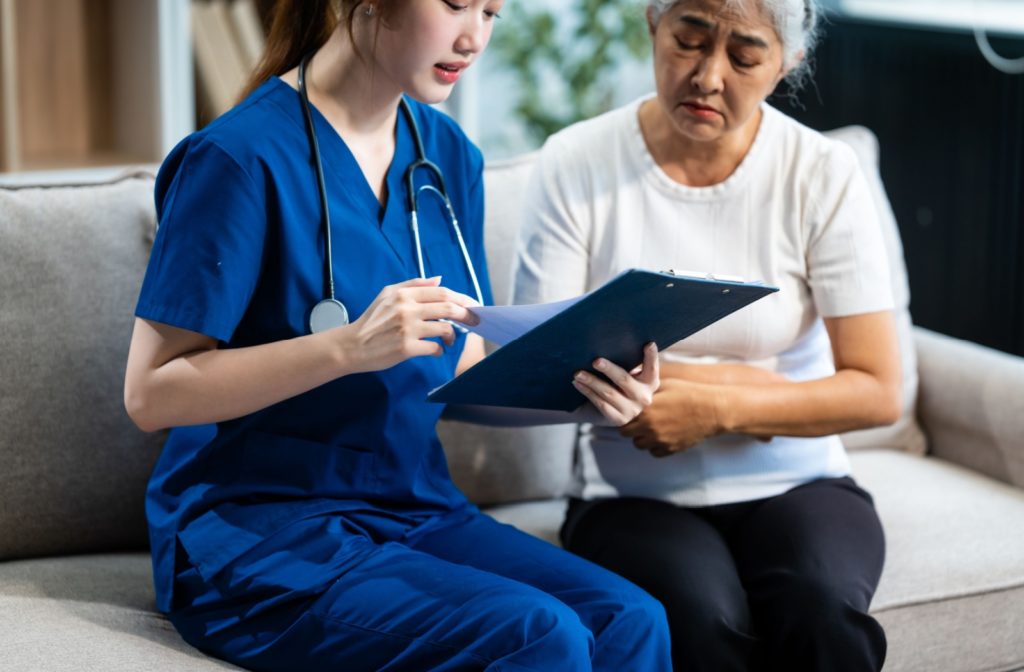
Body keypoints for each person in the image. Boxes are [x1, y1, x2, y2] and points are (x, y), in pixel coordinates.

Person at [123, 1, 672, 670]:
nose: (474, 38)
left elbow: (459, 373)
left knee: (632, 620)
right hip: (257, 529)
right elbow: (150, 393)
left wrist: (581, 394)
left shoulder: (446, 157)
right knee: (535, 633)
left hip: (412, 506)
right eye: (456, 4)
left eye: (493, 12)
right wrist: (346, 347)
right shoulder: (236, 159)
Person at [511, 0, 900, 670]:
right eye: (689, 40)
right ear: (651, 26)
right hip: (629, 495)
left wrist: (720, 402)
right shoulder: (575, 162)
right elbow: (535, 366)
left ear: (788, 63)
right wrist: (752, 382)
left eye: (745, 56)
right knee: (699, 618)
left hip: (802, 484)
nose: (709, 76)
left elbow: (877, 391)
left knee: (821, 607)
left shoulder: (822, 173)